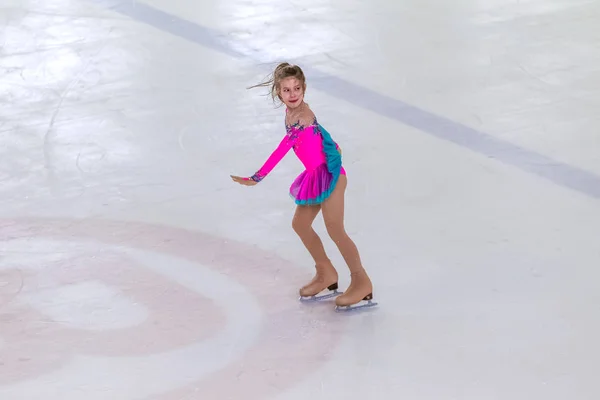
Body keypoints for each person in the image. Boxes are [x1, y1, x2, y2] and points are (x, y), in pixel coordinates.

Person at [231, 63, 376, 311]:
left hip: (331, 177)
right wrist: (333, 143)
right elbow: (320, 137)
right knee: (300, 224)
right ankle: (326, 272)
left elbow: (283, 149)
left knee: (335, 229)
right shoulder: (290, 114)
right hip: (315, 176)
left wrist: (257, 177)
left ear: (304, 88)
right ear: (279, 93)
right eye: (287, 90)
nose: (293, 93)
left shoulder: (303, 116)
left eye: (297, 88)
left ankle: (361, 281)